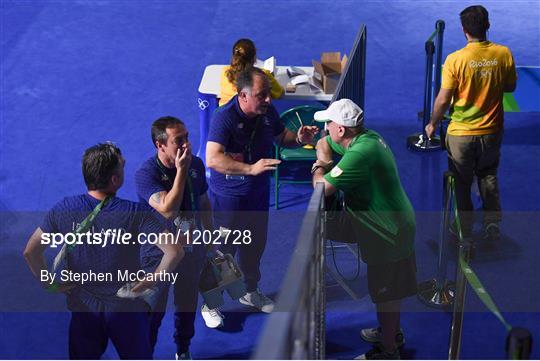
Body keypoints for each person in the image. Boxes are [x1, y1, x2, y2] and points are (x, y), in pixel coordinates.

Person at [23, 143, 183, 359]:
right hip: (126, 310)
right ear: (115, 180)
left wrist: (49, 283)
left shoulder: (64, 209)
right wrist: (149, 282)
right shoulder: (136, 213)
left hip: (84, 310)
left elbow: (30, 252)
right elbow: (174, 252)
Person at [206, 67, 319, 316]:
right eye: (261, 95)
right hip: (229, 197)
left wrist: (299, 138)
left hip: (257, 194)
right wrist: (250, 168)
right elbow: (213, 159)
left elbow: (282, 137)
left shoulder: (267, 112)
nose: (268, 99)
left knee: (255, 245)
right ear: (243, 96)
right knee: (225, 250)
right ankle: (212, 301)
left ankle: (250, 291)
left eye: (268, 93)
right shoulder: (223, 118)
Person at [311, 99, 416, 360]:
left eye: (329, 123)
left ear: (341, 130)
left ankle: (389, 349)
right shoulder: (366, 137)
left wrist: (320, 165)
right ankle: (388, 332)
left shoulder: (360, 154)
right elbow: (325, 142)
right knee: (386, 292)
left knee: (386, 295)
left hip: (388, 233)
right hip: (383, 224)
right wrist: (323, 148)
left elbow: (321, 187)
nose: (326, 127)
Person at [425, 5, 517, 240]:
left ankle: (464, 228)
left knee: (462, 181)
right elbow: (510, 86)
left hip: (460, 134)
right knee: (488, 174)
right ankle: (492, 223)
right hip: (492, 130)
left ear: (464, 30)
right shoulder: (503, 53)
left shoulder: (455, 60)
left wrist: (433, 123)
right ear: (488, 25)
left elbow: (444, 99)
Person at [135, 116, 218, 358]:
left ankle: (183, 351)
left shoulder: (197, 165)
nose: (186, 145)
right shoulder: (146, 175)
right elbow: (168, 209)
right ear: (160, 145)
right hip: (158, 253)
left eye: (187, 138)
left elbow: (203, 202)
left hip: (191, 248)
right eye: (178, 140)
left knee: (186, 304)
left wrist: (210, 238)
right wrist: (182, 170)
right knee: (153, 309)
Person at [219, 38, 284, 106]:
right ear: (254, 57)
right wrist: (271, 80)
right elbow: (279, 94)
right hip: (250, 115)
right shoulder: (263, 75)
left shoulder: (225, 71)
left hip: (224, 112)